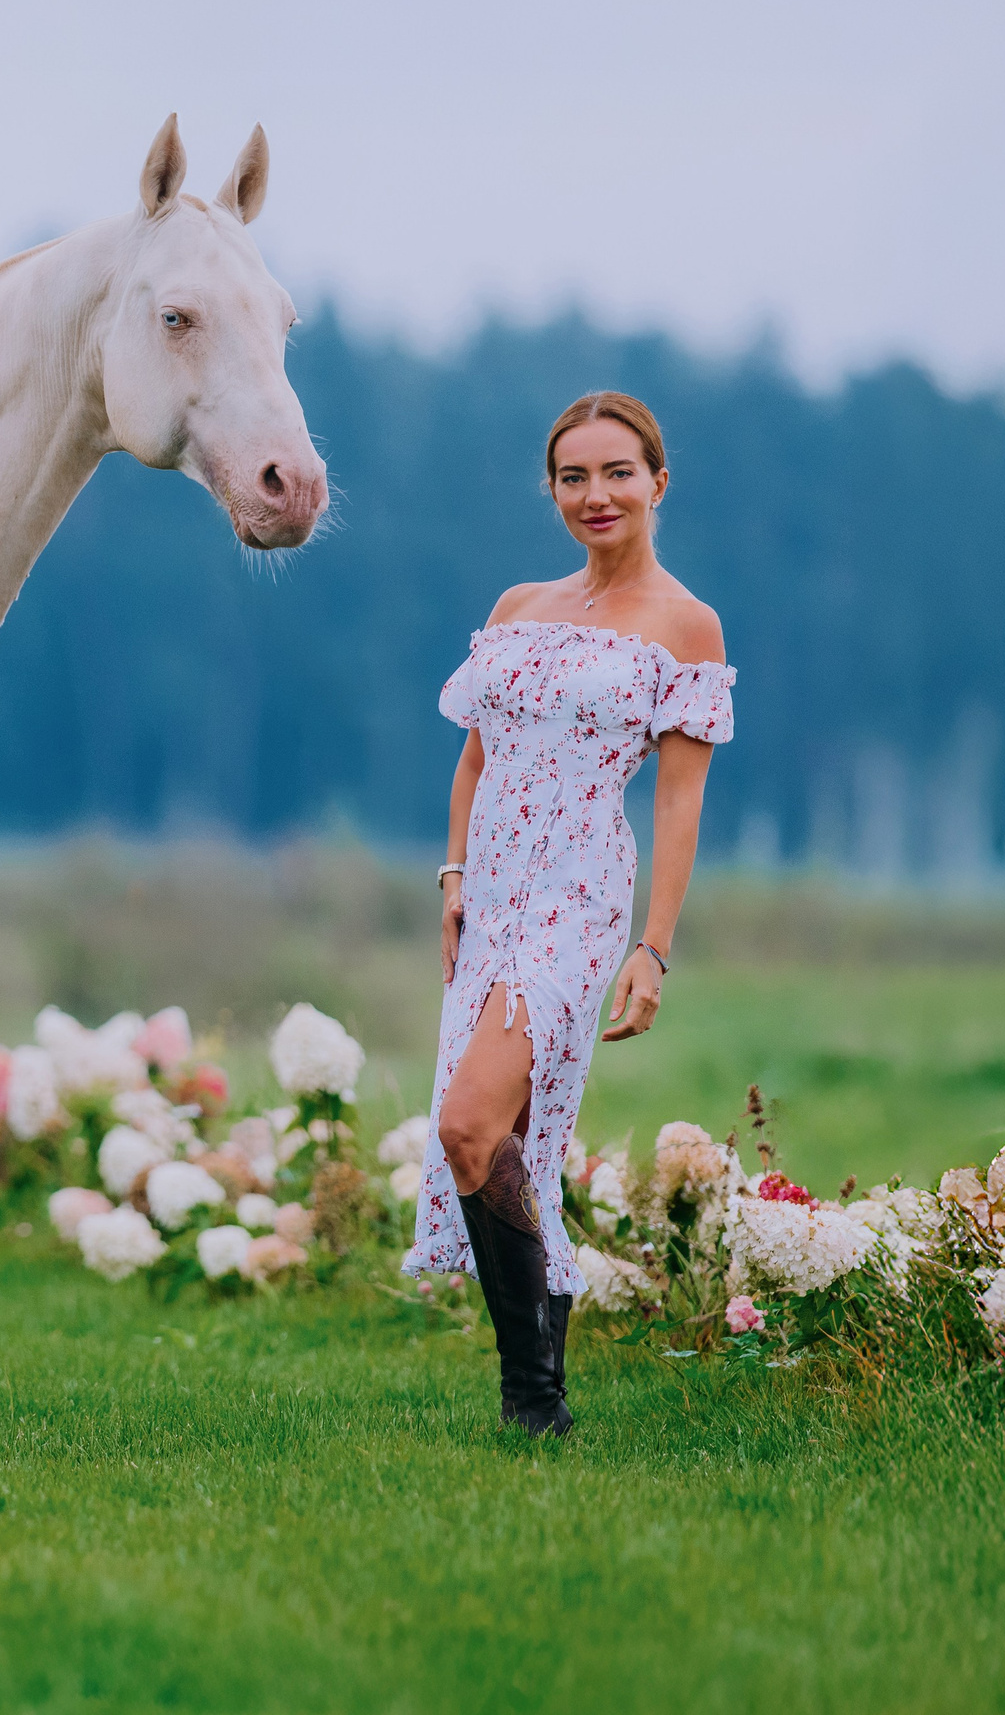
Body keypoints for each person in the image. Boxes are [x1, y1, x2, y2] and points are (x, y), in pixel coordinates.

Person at [404, 390, 734, 1436]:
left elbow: (678, 801)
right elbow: (474, 755)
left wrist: (653, 948)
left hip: (577, 896)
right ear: (551, 489)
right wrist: (453, 877)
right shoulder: (515, 608)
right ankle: (541, 1329)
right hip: (492, 895)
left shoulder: (685, 624)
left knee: (467, 1119)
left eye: (616, 473)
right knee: (482, 1136)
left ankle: (531, 1396)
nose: (595, 495)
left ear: (656, 482)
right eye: (573, 477)